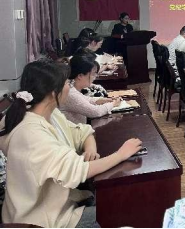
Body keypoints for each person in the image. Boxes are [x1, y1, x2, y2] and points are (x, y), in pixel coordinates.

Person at [0, 60, 142, 229]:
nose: (70, 87)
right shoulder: (31, 134)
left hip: (58, 203)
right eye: (67, 83)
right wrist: (121, 154)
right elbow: (79, 170)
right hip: (43, 220)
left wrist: (90, 148)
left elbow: (81, 131)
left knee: (117, 200)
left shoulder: (47, 114)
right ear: (53, 92)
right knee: (124, 211)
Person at [60, 50, 122, 124]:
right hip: (75, 130)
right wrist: (113, 104)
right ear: (80, 76)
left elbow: (84, 99)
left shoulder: (71, 87)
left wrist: (102, 100)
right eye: (93, 74)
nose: (95, 77)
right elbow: (95, 112)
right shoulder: (70, 93)